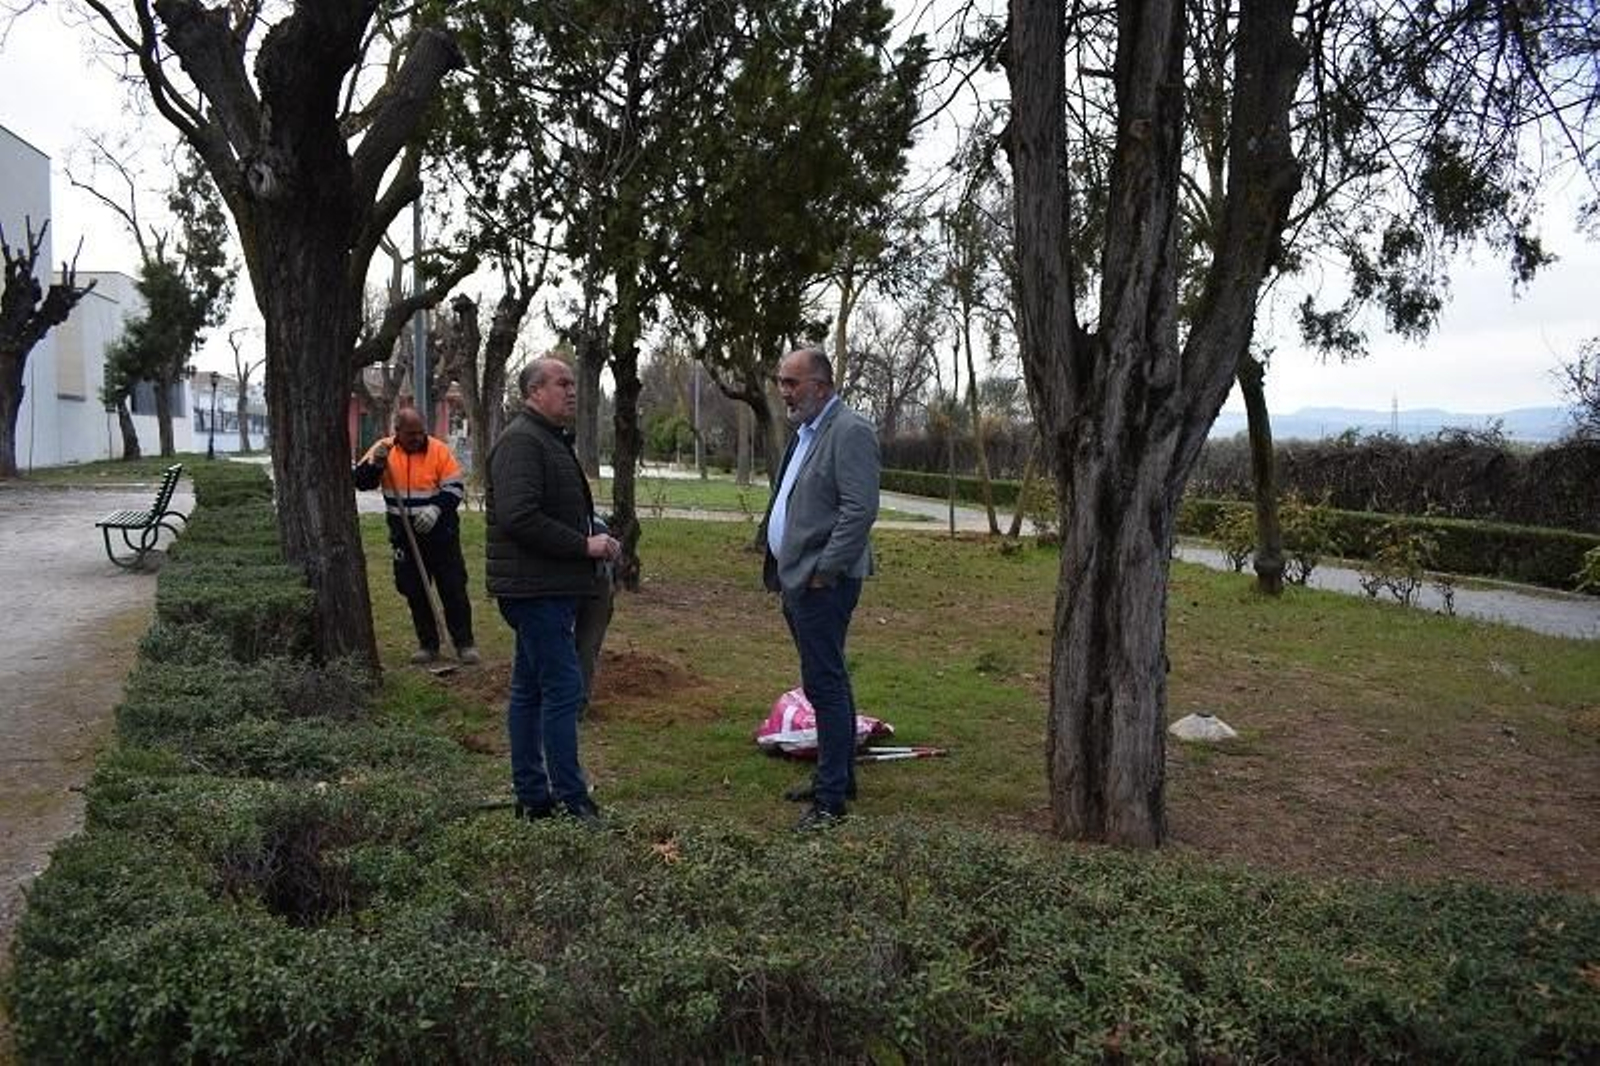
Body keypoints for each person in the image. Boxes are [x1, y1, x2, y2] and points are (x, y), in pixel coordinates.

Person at [485, 357, 621, 825]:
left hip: (546, 585)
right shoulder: (523, 441)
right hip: (534, 589)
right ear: (533, 391)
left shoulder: (546, 440)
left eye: (571, 383)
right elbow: (518, 516)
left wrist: (595, 531)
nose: (571, 390)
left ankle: (533, 797)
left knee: (529, 690)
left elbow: (551, 508)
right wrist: (584, 545)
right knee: (564, 688)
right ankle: (570, 799)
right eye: (561, 383)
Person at [761, 345, 880, 830]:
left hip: (822, 583)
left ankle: (830, 800)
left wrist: (823, 570)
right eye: (781, 382)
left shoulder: (850, 431)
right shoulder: (807, 431)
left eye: (792, 383)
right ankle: (839, 776)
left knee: (825, 685)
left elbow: (859, 511)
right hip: (799, 578)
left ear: (823, 386)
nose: (784, 392)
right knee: (824, 680)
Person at [353, 406, 478, 665]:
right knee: (414, 590)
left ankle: (465, 644)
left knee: (453, 588)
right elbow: (362, 482)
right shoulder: (383, 449)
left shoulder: (438, 450)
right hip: (404, 535)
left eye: (421, 432)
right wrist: (376, 464)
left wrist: (436, 509)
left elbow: (454, 488)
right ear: (397, 432)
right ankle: (428, 645)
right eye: (411, 434)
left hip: (441, 533)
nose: (417, 438)